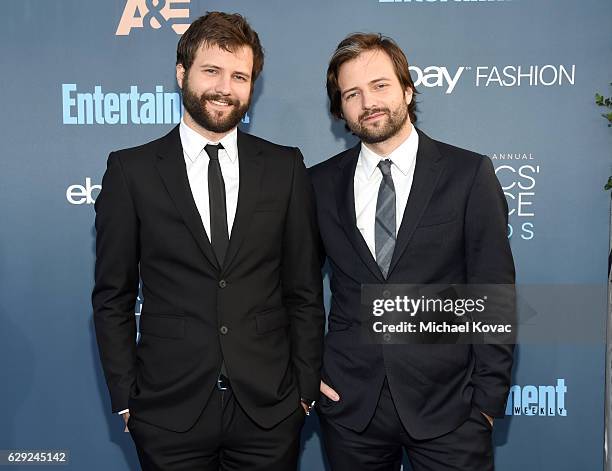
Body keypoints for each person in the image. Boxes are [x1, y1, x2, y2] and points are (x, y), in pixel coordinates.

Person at [92, 11, 324, 471]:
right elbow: (112, 297)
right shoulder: (131, 171)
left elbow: (304, 290)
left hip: (269, 412)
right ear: (182, 74)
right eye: (212, 71)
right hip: (167, 412)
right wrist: (126, 399)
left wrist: (302, 391)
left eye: (240, 76)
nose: (225, 87)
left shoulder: (285, 168)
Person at [310, 32, 515, 471]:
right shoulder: (318, 184)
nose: (368, 102)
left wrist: (486, 404)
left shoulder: (468, 174)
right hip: (350, 409)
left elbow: (494, 292)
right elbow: (295, 290)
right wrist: (307, 373)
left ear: (407, 89)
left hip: (450, 407)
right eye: (352, 93)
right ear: (341, 110)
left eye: (380, 85)